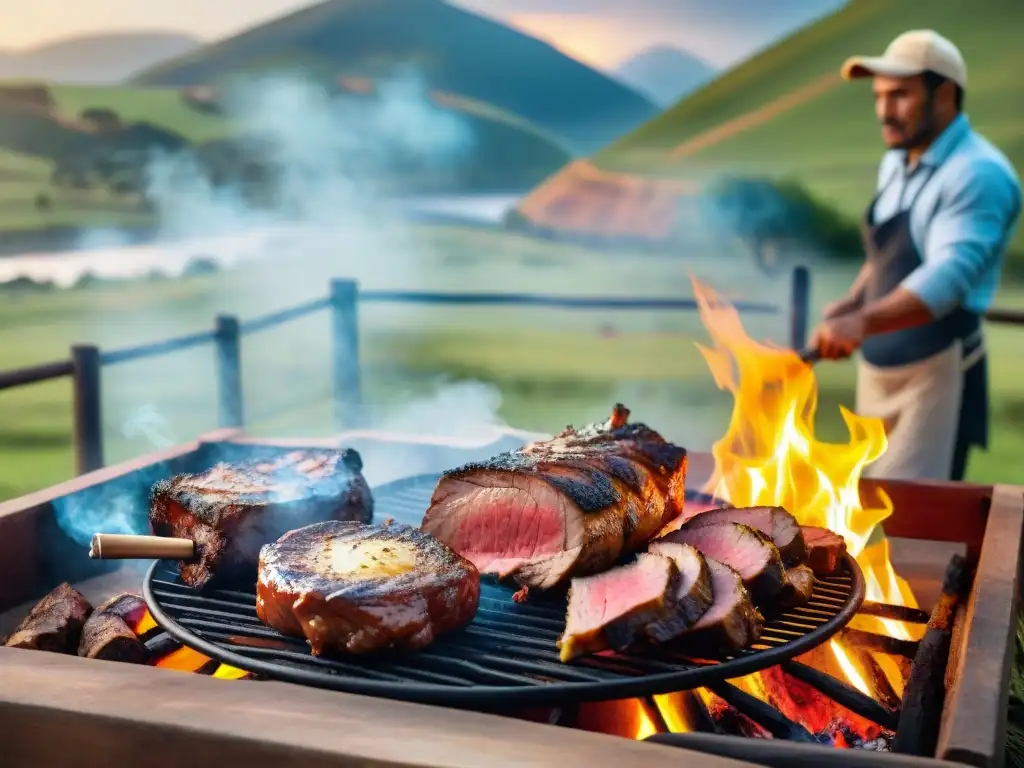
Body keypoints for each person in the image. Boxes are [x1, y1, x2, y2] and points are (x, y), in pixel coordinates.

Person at [809, 30, 1021, 482]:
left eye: (900, 95)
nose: (884, 110)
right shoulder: (898, 159)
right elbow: (887, 255)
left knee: (914, 529)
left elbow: (946, 280)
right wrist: (855, 299)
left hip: (936, 378)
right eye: (879, 96)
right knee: (868, 518)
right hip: (878, 374)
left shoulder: (978, 173)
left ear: (944, 94)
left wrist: (863, 322)